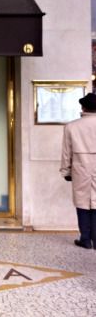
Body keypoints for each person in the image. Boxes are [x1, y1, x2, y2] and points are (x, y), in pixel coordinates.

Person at [60, 92, 96, 249]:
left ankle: (85, 239)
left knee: (82, 203)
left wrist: (66, 171)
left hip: (80, 167)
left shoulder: (71, 127)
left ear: (83, 107)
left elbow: (66, 152)